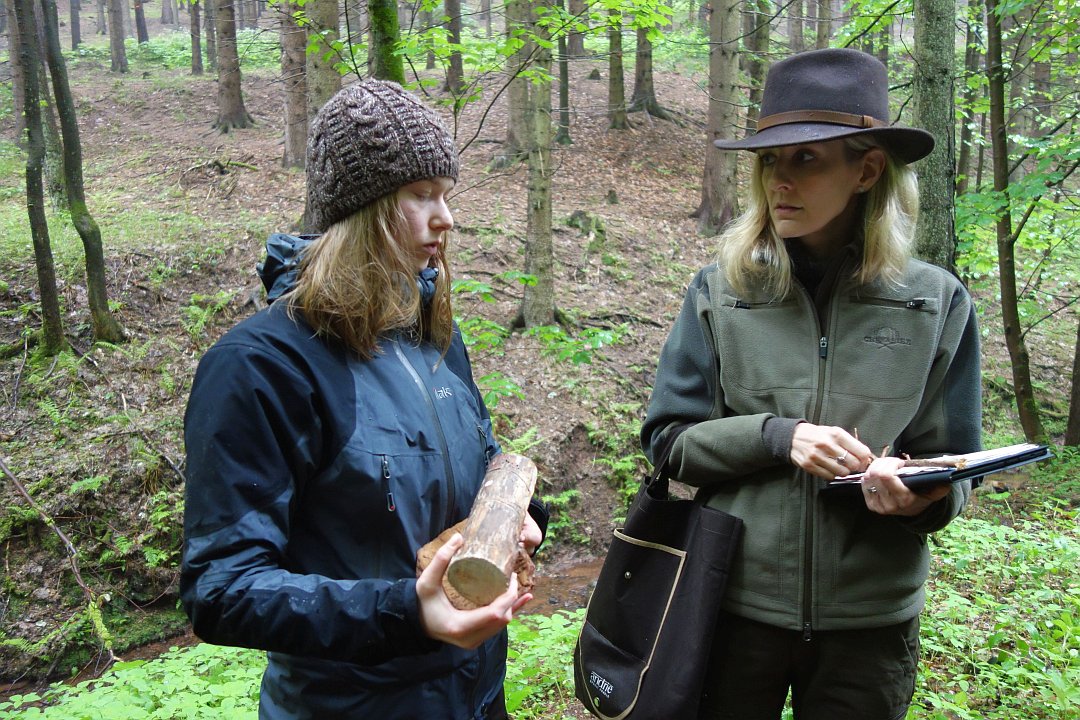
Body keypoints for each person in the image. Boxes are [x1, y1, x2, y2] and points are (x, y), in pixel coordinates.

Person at [180, 79, 547, 720]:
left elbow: (477, 468)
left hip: (477, 698)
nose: (445, 218)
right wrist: (408, 613)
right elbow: (222, 589)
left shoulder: (432, 337)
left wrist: (520, 517)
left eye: (446, 194)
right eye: (421, 194)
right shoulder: (263, 365)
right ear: (363, 209)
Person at [641, 48, 982, 720]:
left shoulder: (935, 303)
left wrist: (920, 497)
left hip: (870, 624)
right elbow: (668, 441)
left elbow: (956, 465)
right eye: (771, 160)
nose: (780, 181)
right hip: (734, 607)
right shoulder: (721, 291)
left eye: (806, 158)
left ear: (868, 170)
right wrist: (777, 437)